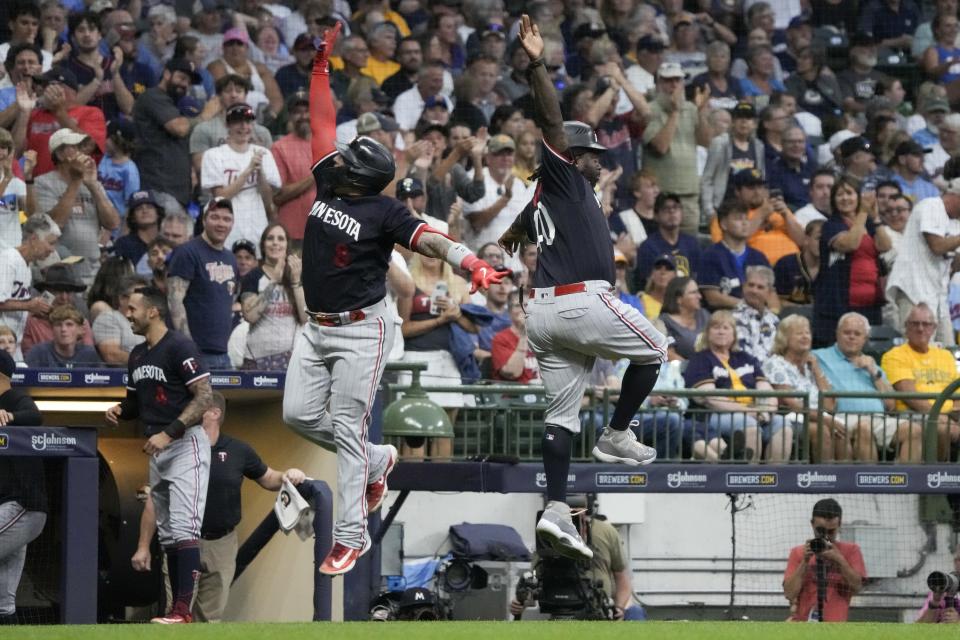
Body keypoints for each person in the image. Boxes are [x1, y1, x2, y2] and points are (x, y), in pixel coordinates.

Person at [280, 23, 506, 576]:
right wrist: (319, 70)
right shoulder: (335, 181)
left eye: (347, 163)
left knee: (351, 430)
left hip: (365, 329)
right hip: (319, 327)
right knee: (298, 415)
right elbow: (321, 123)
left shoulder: (386, 212)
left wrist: (471, 262)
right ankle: (380, 459)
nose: (336, 162)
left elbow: (433, 239)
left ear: (362, 177)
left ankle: (350, 537)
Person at [495, 15, 666, 561]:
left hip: (544, 314)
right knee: (656, 347)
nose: (597, 159)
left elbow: (518, 226)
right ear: (571, 154)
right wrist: (539, 62)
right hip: (577, 301)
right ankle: (617, 432)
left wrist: (502, 246)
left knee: (560, 418)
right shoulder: (566, 172)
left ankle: (553, 507)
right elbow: (549, 117)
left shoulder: (553, 193)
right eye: (591, 152)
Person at [131, 391, 306, 622]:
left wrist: (289, 474)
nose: (187, 413)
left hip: (220, 544)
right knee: (176, 613)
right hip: (182, 542)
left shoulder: (238, 450)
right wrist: (143, 546)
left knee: (210, 617)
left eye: (195, 408)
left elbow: (268, 477)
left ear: (214, 413)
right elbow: (157, 499)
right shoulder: (177, 448)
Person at [105, 286, 214, 624]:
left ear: (152, 311)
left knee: (183, 527)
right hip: (158, 448)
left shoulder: (179, 345)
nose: (128, 314)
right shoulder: (137, 355)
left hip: (184, 444)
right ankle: (174, 610)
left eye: (133, 308)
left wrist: (171, 432)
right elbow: (137, 403)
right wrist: (121, 410)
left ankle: (183, 612)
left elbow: (204, 396)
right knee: (167, 532)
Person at [814, 312, 923, 462]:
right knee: (863, 427)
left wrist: (873, 373)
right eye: (847, 332)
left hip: (878, 418)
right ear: (837, 334)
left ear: (865, 338)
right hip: (842, 418)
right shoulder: (819, 357)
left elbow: (890, 405)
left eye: (857, 334)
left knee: (913, 430)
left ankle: (904, 483)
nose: (852, 337)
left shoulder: (872, 364)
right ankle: (870, 483)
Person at [683, 309, 788, 462]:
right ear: (707, 333)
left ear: (734, 334)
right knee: (748, 424)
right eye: (716, 327)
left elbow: (767, 390)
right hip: (714, 415)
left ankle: (776, 479)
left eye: (726, 328)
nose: (721, 332)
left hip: (754, 412)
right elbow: (711, 399)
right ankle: (748, 479)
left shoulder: (746, 358)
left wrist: (768, 410)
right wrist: (749, 412)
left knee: (782, 423)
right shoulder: (700, 359)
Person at [510, 496, 636, 621]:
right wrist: (522, 602)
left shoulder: (606, 532)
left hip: (597, 612)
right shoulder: (548, 534)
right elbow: (534, 579)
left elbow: (622, 577)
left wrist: (619, 608)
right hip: (557, 608)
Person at [34, 127, 121, 284]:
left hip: (92, 270)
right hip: (60, 270)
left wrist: (93, 185)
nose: (82, 152)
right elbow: (54, 225)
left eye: (81, 147)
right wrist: (75, 182)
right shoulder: (44, 183)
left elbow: (113, 223)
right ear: (60, 154)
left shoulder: (91, 182)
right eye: (74, 147)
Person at [133, 58, 217, 214]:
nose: (185, 84)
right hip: (158, 189)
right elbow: (178, 128)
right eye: (182, 78)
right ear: (166, 74)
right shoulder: (152, 96)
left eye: (189, 82)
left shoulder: (178, 105)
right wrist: (206, 115)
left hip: (178, 192)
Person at [813, 179, 890, 347]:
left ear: (858, 197)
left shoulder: (868, 223)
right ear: (833, 200)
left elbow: (885, 246)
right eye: (839, 194)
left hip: (870, 303)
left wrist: (875, 218)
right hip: (839, 304)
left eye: (849, 193)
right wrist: (863, 212)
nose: (845, 198)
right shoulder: (831, 225)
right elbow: (850, 244)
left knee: (868, 351)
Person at [166, 198, 239, 371]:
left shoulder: (231, 259)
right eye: (215, 217)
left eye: (226, 219)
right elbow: (174, 302)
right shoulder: (187, 252)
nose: (221, 223)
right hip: (195, 352)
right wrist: (188, 348)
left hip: (222, 352)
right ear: (204, 220)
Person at [881, 303, 960, 461]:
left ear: (934, 328)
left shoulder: (945, 355)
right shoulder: (895, 355)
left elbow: (957, 395)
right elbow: (910, 396)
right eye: (915, 324)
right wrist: (938, 415)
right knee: (941, 427)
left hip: (949, 415)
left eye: (926, 324)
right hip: (912, 414)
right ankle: (937, 476)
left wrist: (956, 416)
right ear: (906, 327)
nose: (920, 329)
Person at [764, 315, 848, 461]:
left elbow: (830, 405)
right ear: (785, 338)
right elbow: (792, 404)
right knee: (822, 431)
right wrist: (825, 419)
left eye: (807, 333)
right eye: (799, 333)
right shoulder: (775, 363)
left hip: (819, 417)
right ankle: (825, 479)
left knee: (841, 432)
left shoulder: (812, 366)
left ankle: (847, 480)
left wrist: (815, 369)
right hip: (790, 418)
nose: (805, 337)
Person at [886, 180, 960, 346]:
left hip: (938, 295)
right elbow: (937, 246)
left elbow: (954, 264)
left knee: (949, 350)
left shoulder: (956, 222)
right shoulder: (931, 206)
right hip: (914, 290)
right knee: (917, 348)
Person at [0, 349, 44, 626]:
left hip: (23, 506)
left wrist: (10, 417)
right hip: (8, 508)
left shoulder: (15, 398)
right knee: (4, 601)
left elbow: (34, 415)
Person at [642, 61, 713, 234]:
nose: (673, 85)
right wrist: (674, 112)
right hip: (663, 195)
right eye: (668, 80)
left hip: (689, 194)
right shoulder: (649, 110)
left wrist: (701, 111)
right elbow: (661, 147)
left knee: (689, 251)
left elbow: (706, 141)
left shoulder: (690, 108)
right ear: (658, 83)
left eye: (678, 80)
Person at [200, 102, 282, 249]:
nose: (244, 126)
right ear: (228, 125)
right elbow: (220, 197)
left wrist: (260, 172)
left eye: (248, 121)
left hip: (257, 225)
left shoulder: (264, 153)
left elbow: (268, 198)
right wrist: (248, 170)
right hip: (226, 229)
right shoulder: (213, 155)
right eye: (238, 122)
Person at [783, 498, 866, 622]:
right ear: (812, 524)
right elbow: (789, 594)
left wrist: (839, 559)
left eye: (831, 532)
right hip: (804, 627)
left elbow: (857, 587)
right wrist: (804, 562)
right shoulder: (799, 552)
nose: (826, 536)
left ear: (840, 525)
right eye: (820, 531)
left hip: (835, 629)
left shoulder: (851, 551)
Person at [239, 223, 307, 371]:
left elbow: (305, 318)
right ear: (263, 245)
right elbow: (250, 316)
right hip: (256, 359)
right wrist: (273, 282)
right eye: (270, 238)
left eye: (281, 239)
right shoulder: (253, 276)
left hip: (290, 358)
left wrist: (296, 281)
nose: (275, 242)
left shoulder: (296, 275)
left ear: (287, 245)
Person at [0, 214, 60, 358]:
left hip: (14, 344)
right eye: (50, 243)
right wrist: (28, 306)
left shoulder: (27, 266)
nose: (52, 249)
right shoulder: (8, 260)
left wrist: (35, 309)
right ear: (33, 239)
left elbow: (16, 302)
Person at [699, 202, 772, 311]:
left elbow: (771, 294)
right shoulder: (711, 255)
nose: (744, 223)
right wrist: (748, 306)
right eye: (738, 219)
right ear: (723, 224)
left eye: (746, 219)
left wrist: (773, 312)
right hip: (723, 318)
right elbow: (713, 298)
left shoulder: (758, 256)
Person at [700, 101, 764, 221]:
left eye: (748, 118)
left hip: (749, 209)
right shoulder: (719, 143)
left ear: (755, 124)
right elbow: (707, 178)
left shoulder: (758, 146)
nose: (743, 122)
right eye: (739, 117)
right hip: (723, 207)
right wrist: (709, 210)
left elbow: (760, 178)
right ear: (733, 122)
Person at [271, 91, 315, 246]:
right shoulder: (279, 148)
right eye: (297, 112)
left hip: (326, 232)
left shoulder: (329, 143)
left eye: (307, 111)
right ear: (289, 116)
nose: (303, 116)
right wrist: (315, 176)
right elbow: (277, 196)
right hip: (294, 234)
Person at [20, 262, 92, 357]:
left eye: (69, 291)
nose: (64, 297)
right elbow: (30, 360)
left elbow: (88, 359)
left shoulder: (82, 323)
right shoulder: (31, 322)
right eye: (58, 291)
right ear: (46, 294)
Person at [634, 193, 701, 290]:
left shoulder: (692, 243)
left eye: (676, 207)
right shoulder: (648, 247)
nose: (672, 211)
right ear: (656, 215)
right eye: (666, 208)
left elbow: (697, 277)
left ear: (681, 213)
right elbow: (649, 284)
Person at [24, 303, 101, 368]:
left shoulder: (89, 354)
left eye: (69, 324)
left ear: (80, 329)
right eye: (58, 325)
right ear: (52, 329)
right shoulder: (38, 353)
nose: (63, 329)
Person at [92, 274, 146, 366]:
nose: (145, 301)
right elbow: (112, 355)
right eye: (139, 297)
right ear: (122, 298)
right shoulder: (108, 318)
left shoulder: (147, 322)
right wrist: (149, 360)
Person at [732, 265, 779, 362]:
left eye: (760, 287)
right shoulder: (732, 319)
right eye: (751, 285)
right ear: (743, 287)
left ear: (769, 292)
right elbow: (741, 356)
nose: (754, 290)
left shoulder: (775, 320)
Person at [491, 290, 539, 383]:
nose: (523, 309)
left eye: (526, 305)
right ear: (509, 311)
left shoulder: (543, 336)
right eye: (517, 305)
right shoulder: (500, 339)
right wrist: (524, 335)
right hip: (516, 395)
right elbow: (512, 373)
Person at [113, 190, 163, 276]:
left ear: (158, 213)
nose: (145, 211)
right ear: (133, 218)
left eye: (149, 207)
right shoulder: (124, 244)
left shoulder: (166, 242)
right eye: (139, 208)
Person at [660, 276, 710, 361]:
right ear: (678, 299)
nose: (700, 296)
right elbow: (668, 354)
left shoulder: (703, 315)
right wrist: (690, 368)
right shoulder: (665, 322)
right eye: (693, 293)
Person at [916, 547, 960, 623]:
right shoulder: (944, 585)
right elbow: (919, 627)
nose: (957, 562)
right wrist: (935, 603)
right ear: (955, 562)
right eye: (958, 559)